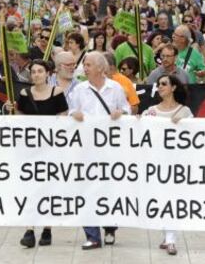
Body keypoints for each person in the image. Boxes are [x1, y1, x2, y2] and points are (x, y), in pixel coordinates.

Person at [69, 51, 131, 250]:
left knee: (109, 189)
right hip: (86, 149)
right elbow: (71, 111)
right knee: (87, 190)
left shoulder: (116, 88)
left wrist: (120, 112)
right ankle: (92, 235)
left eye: (88, 64)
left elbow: (127, 110)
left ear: (100, 68)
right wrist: (75, 114)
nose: (84, 68)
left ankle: (110, 226)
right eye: (84, 64)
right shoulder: (79, 89)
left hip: (110, 151)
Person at [7, 59, 67, 248]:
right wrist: (13, 111)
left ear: (48, 73)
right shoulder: (24, 93)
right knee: (30, 189)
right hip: (30, 149)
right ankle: (29, 229)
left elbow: (63, 117)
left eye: (40, 71)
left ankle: (47, 229)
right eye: (33, 72)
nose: (36, 75)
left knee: (48, 189)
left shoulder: (57, 93)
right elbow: (21, 118)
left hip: (51, 149)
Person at [142, 74, 193, 255]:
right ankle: (168, 236)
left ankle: (171, 238)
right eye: (158, 84)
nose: (160, 86)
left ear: (173, 88)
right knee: (162, 200)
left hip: (177, 165)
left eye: (164, 84)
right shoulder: (150, 111)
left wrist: (185, 124)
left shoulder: (184, 111)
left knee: (172, 199)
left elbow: (196, 136)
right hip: (156, 164)